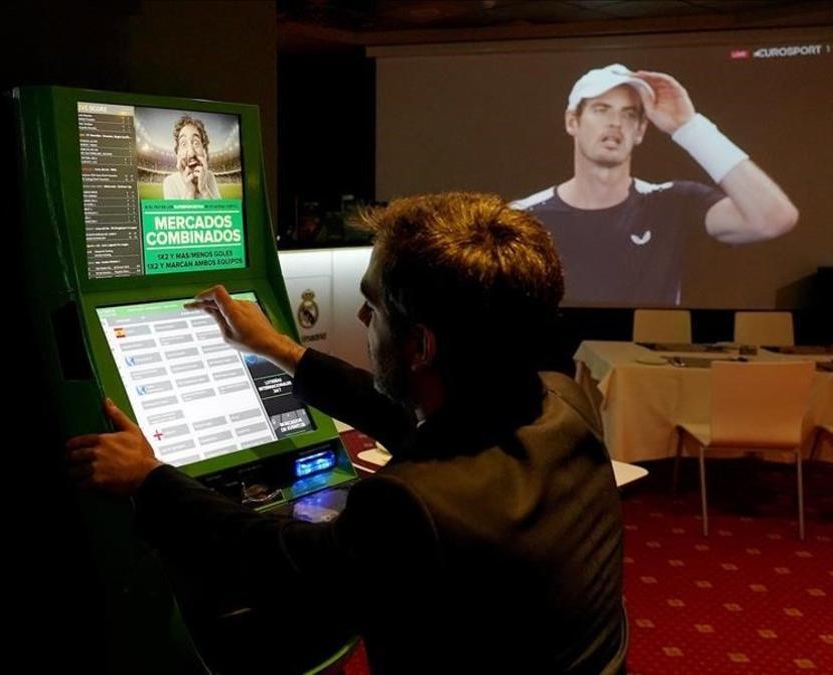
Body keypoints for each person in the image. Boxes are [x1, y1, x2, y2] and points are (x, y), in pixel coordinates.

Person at [66, 192, 627, 673]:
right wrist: (280, 349)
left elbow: (280, 559)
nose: (363, 320)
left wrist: (151, 479)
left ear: (421, 346)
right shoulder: (562, 403)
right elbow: (409, 418)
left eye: (373, 305)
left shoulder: (412, 506)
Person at [513, 64, 798, 305]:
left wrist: (688, 127)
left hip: (646, 368)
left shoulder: (671, 202)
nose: (615, 123)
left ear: (640, 130)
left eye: (628, 114)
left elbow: (772, 219)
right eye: (601, 109)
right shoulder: (523, 218)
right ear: (572, 121)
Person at [162, 115, 222, 200]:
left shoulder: (210, 177)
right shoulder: (169, 182)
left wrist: (204, 190)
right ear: (177, 153)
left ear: (204, 149)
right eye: (184, 144)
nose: (191, 153)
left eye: (196, 143)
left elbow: (222, 213)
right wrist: (189, 192)